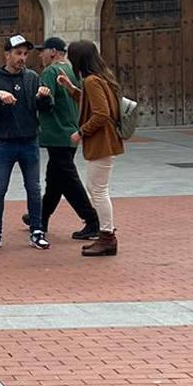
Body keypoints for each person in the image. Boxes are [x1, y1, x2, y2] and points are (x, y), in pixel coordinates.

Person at [0, 35, 54, 251]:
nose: (22, 58)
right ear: (7, 55)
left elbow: (46, 109)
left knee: (33, 187)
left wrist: (44, 97)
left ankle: (37, 230)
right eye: (18, 53)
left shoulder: (31, 77)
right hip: (4, 142)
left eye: (25, 54)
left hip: (29, 141)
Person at [58, 41, 125, 257]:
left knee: (98, 190)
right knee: (95, 188)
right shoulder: (99, 78)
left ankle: (107, 237)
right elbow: (92, 104)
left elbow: (101, 113)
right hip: (105, 141)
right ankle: (106, 234)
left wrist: (81, 132)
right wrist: (71, 89)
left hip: (101, 141)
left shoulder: (92, 81)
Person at [32, 37, 100, 240]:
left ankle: (92, 219)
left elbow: (46, 102)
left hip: (56, 133)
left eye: (42, 51)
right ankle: (40, 217)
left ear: (53, 52)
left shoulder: (51, 71)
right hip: (70, 131)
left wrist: (37, 99)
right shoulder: (72, 71)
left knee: (68, 180)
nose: (40, 55)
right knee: (55, 180)